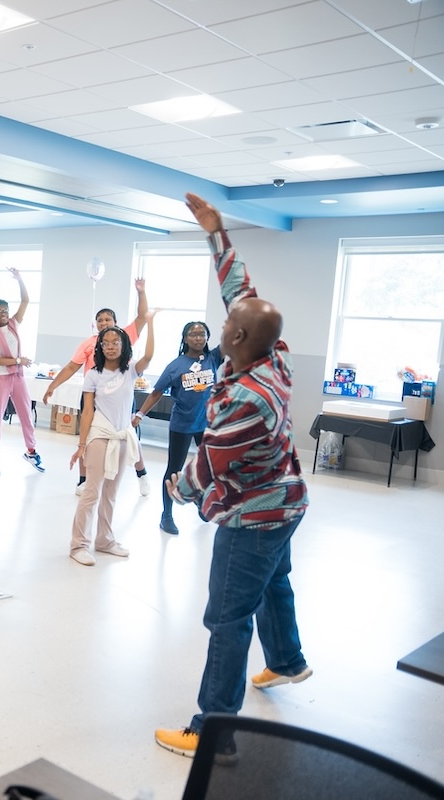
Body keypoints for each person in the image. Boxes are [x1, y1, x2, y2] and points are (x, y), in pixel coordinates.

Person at [155, 193, 310, 760]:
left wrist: (178, 488)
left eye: (226, 325)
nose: (221, 324)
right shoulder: (275, 352)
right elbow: (242, 293)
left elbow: (210, 461)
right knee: (273, 582)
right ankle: (288, 661)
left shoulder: (247, 397)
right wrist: (216, 233)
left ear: (237, 338)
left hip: (254, 516)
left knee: (226, 618)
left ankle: (213, 731)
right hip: (287, 502)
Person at [44, 279, 152, 496]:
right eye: (100, 320)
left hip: (120, 395)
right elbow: (71, 367)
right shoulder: (88, 343)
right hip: (93, 395)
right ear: (96, 325)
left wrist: (141, 292)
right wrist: (52, 387)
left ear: (115, 322)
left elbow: (142, 317)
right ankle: (83, 480)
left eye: (108, 319)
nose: (104, 323)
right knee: (87, 436)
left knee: (127, 434)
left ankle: (142, 475)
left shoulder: (124, 336)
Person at [68, 313, 156, 566]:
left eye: (115, 342)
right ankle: (79, 544)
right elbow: (87, 412)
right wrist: (81, 445)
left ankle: (104, 540)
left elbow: (149, 356)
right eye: (105, 342)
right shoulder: (93, 375)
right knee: (91, 492)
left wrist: (150, 324)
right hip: (99, 435)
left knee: (111, 492)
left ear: (123, 345)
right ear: (100, 346)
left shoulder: (130, 370)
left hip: (121, 436)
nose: (110, 346)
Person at [134, 321, 222, 535]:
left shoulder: (213, 358)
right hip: (182, 425)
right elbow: (156, 392)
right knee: (174, 469)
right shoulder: (176, 365)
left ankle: (202, 502)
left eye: (202, 334)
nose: (198, 337)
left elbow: (233, 337)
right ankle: (166, 515)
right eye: (193, 334)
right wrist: (139, 414)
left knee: (209, 468)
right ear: (184, 339)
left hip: (206, 425)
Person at [0, 268, 45, 476]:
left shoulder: (14, 324)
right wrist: (18, 360)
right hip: (1, 376)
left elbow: (25, 300)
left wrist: (20, 280)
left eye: (6, 311)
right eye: (0, 311)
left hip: (17, 376)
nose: (4, 314)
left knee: (25, 412)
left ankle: (32, 451)